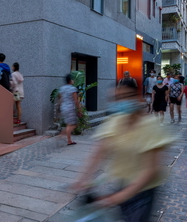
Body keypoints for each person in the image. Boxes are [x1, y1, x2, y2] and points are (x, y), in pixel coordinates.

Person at [73, 84, 169, 222]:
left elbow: (151, 170)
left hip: (144, 191)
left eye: (126, 97)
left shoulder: (151, 126)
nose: (122, 101)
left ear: (137, 98)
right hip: (121, 184)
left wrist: (115, 198)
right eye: (117, 98)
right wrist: (82, 180)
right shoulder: (114, 121)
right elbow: (98, 153)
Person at [57, 73, 81, 146]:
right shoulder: (72, 89)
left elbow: (61, 98)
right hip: (70, 108)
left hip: (64, 107)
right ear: (70, 80)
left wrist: (59, 106)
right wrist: (79, 109)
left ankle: (66, 137)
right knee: (71, 124)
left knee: (70, 124)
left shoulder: (62, 88)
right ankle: (66, 138)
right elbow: (76, 100)